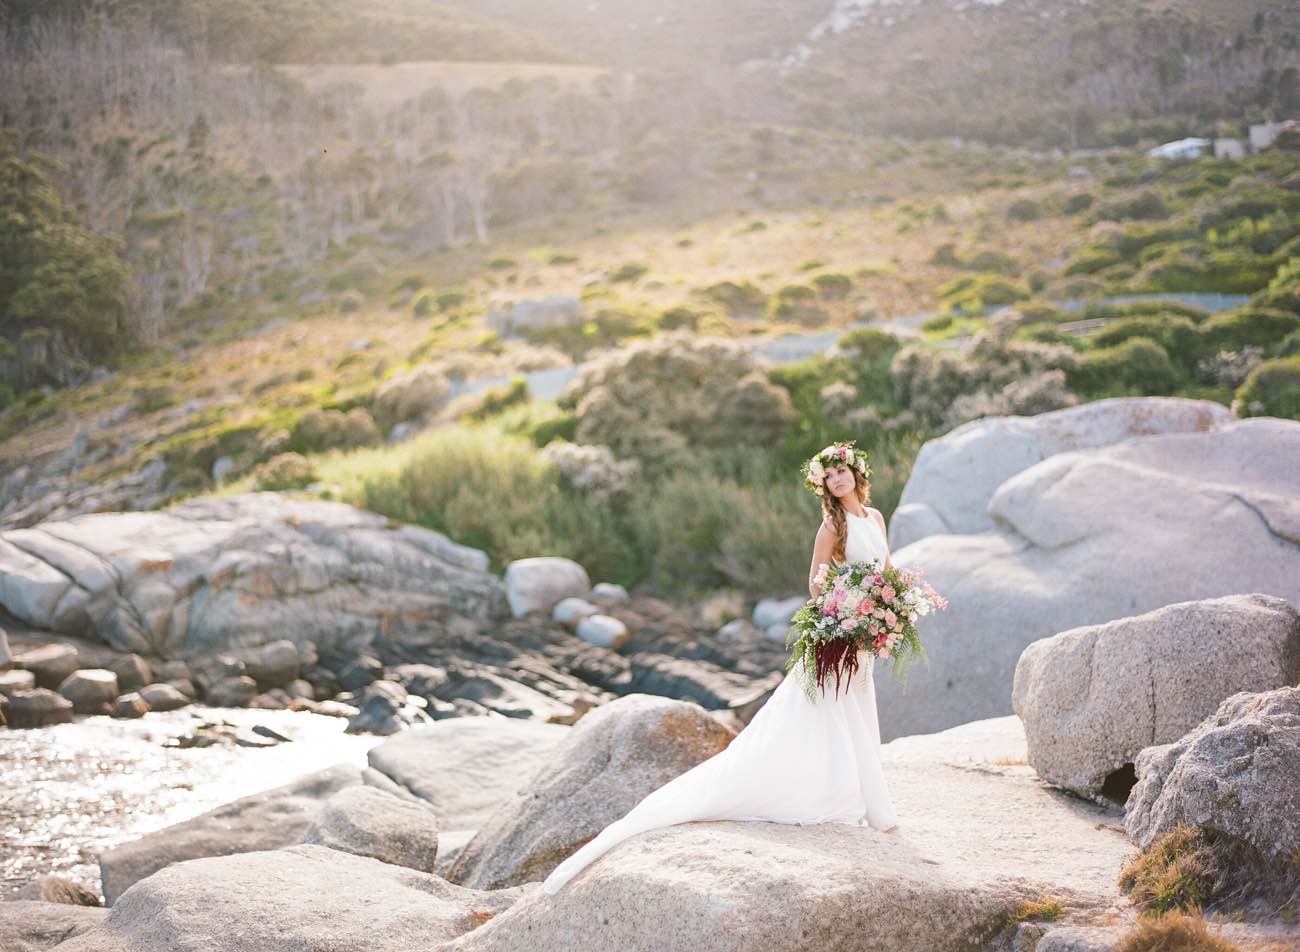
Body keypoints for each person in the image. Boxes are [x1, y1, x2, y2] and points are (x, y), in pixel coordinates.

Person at [541, 441, 900, 895]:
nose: (837, 479)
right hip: (839, 629)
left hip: (863, 631)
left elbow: (886, 568)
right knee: (830, 710)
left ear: (855, 473)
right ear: (824, 484)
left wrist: (892, 602)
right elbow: (815, 580)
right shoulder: (832, 526)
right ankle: (844, 795)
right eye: (829, 475)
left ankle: (857, 791)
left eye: (842, 471)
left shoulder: (876, 518)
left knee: (857, 707)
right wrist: (844, 604)